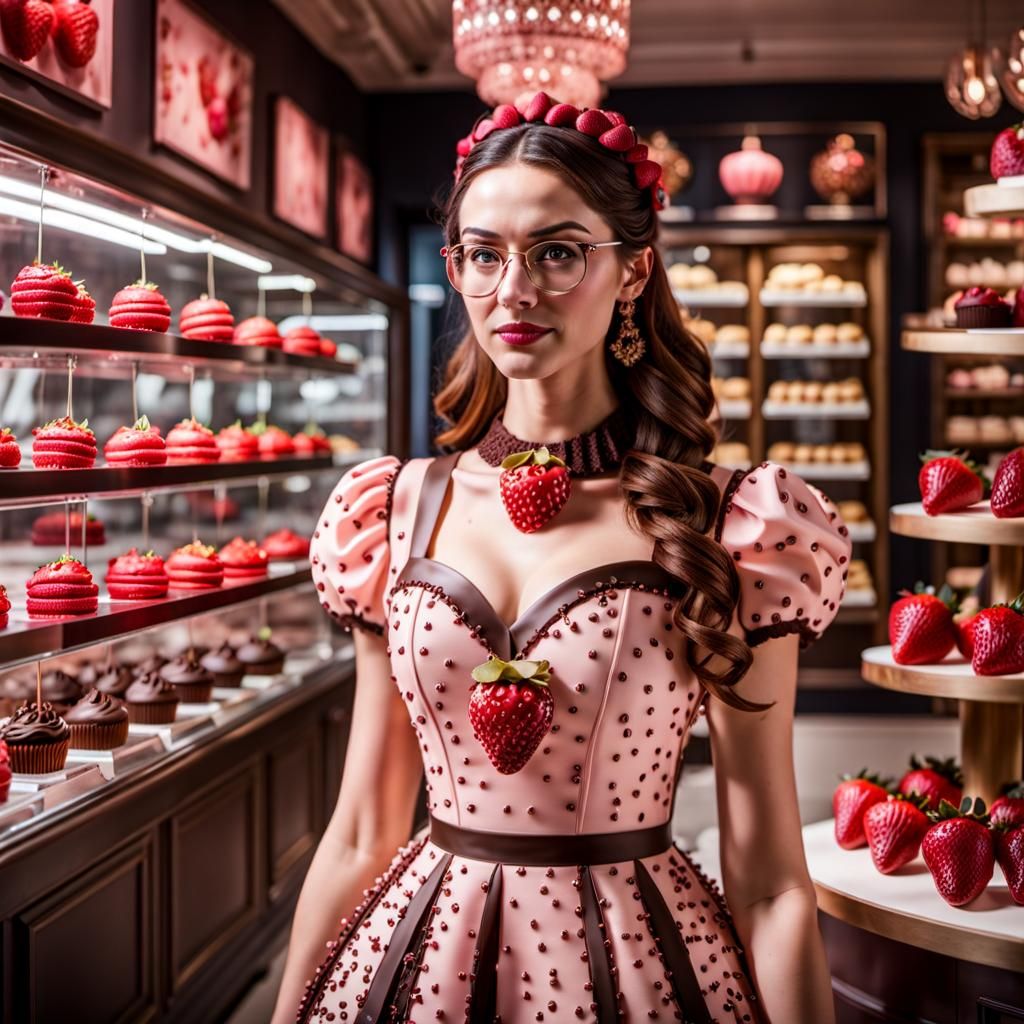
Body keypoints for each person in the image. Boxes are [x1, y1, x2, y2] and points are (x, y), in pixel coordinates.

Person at [272, 92, 850, 1024]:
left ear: (632, 271)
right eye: (483, 254)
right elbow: (362, 831)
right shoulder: (395, 508)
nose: (514, 290)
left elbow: (774, 881)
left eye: (557, 251)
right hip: (417, 961)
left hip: (640, 967)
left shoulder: (734, 523)